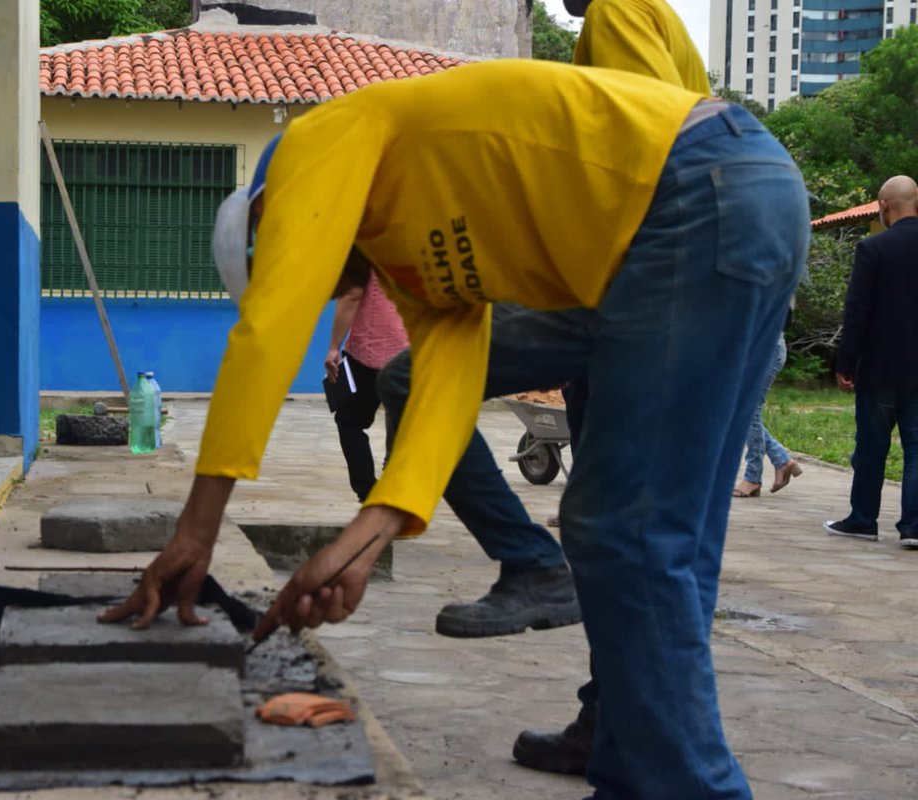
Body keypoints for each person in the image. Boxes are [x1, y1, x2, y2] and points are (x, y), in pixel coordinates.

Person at [100, 58, 808, 800]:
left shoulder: (322, 137)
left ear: (269, 217)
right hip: (709, 214)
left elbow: (268, 329)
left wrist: (197, 527)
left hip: (693, 196)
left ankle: (694, 788)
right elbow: (448, 379)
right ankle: (635, 772)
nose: (336, 286)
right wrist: (365, 536)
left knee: (627, 532)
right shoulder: (409, 253)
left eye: (319, 269)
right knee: (666, 539)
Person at [375, 0, 716, 777]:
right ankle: (609, 719)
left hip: (638, 284)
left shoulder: (618, 7)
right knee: (622, 531)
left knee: (411, 379)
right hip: (659, 283)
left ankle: (531, 562)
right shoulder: (641, 15)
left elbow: (644, 149)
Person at [824, 175, 918, 548]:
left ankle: (863, 519)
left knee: (871, 447)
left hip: (880, 366)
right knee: (916, 447)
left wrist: (845, 362)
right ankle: (913, 527)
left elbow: (857, 311)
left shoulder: (873, 248)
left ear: (883, 205)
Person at [325, 273, 409, 501]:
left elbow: (352, 295)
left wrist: (334, 346)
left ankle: (369, 492)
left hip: (370, 353)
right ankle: (399, 497)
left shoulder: (366, 248)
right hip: (413, 352)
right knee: (404, 428)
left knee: (349, 422)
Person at [732, 331, 804, 498]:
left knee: (748, 409)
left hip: (764, 348)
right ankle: (783, 461)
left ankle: (753, 477)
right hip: (754, 348)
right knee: (740, 411)